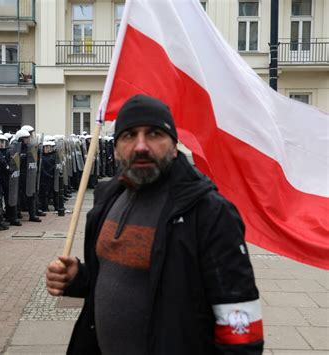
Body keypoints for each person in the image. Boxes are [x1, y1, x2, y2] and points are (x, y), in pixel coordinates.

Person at [46, 95, 263, 355]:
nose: (140, 146)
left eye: (154, 133)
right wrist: (79, 278)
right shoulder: (108, 198)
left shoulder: (209, 212)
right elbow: (116, 280)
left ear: (174, 145)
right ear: (115, 148)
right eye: (129, 135)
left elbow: (240, 326)